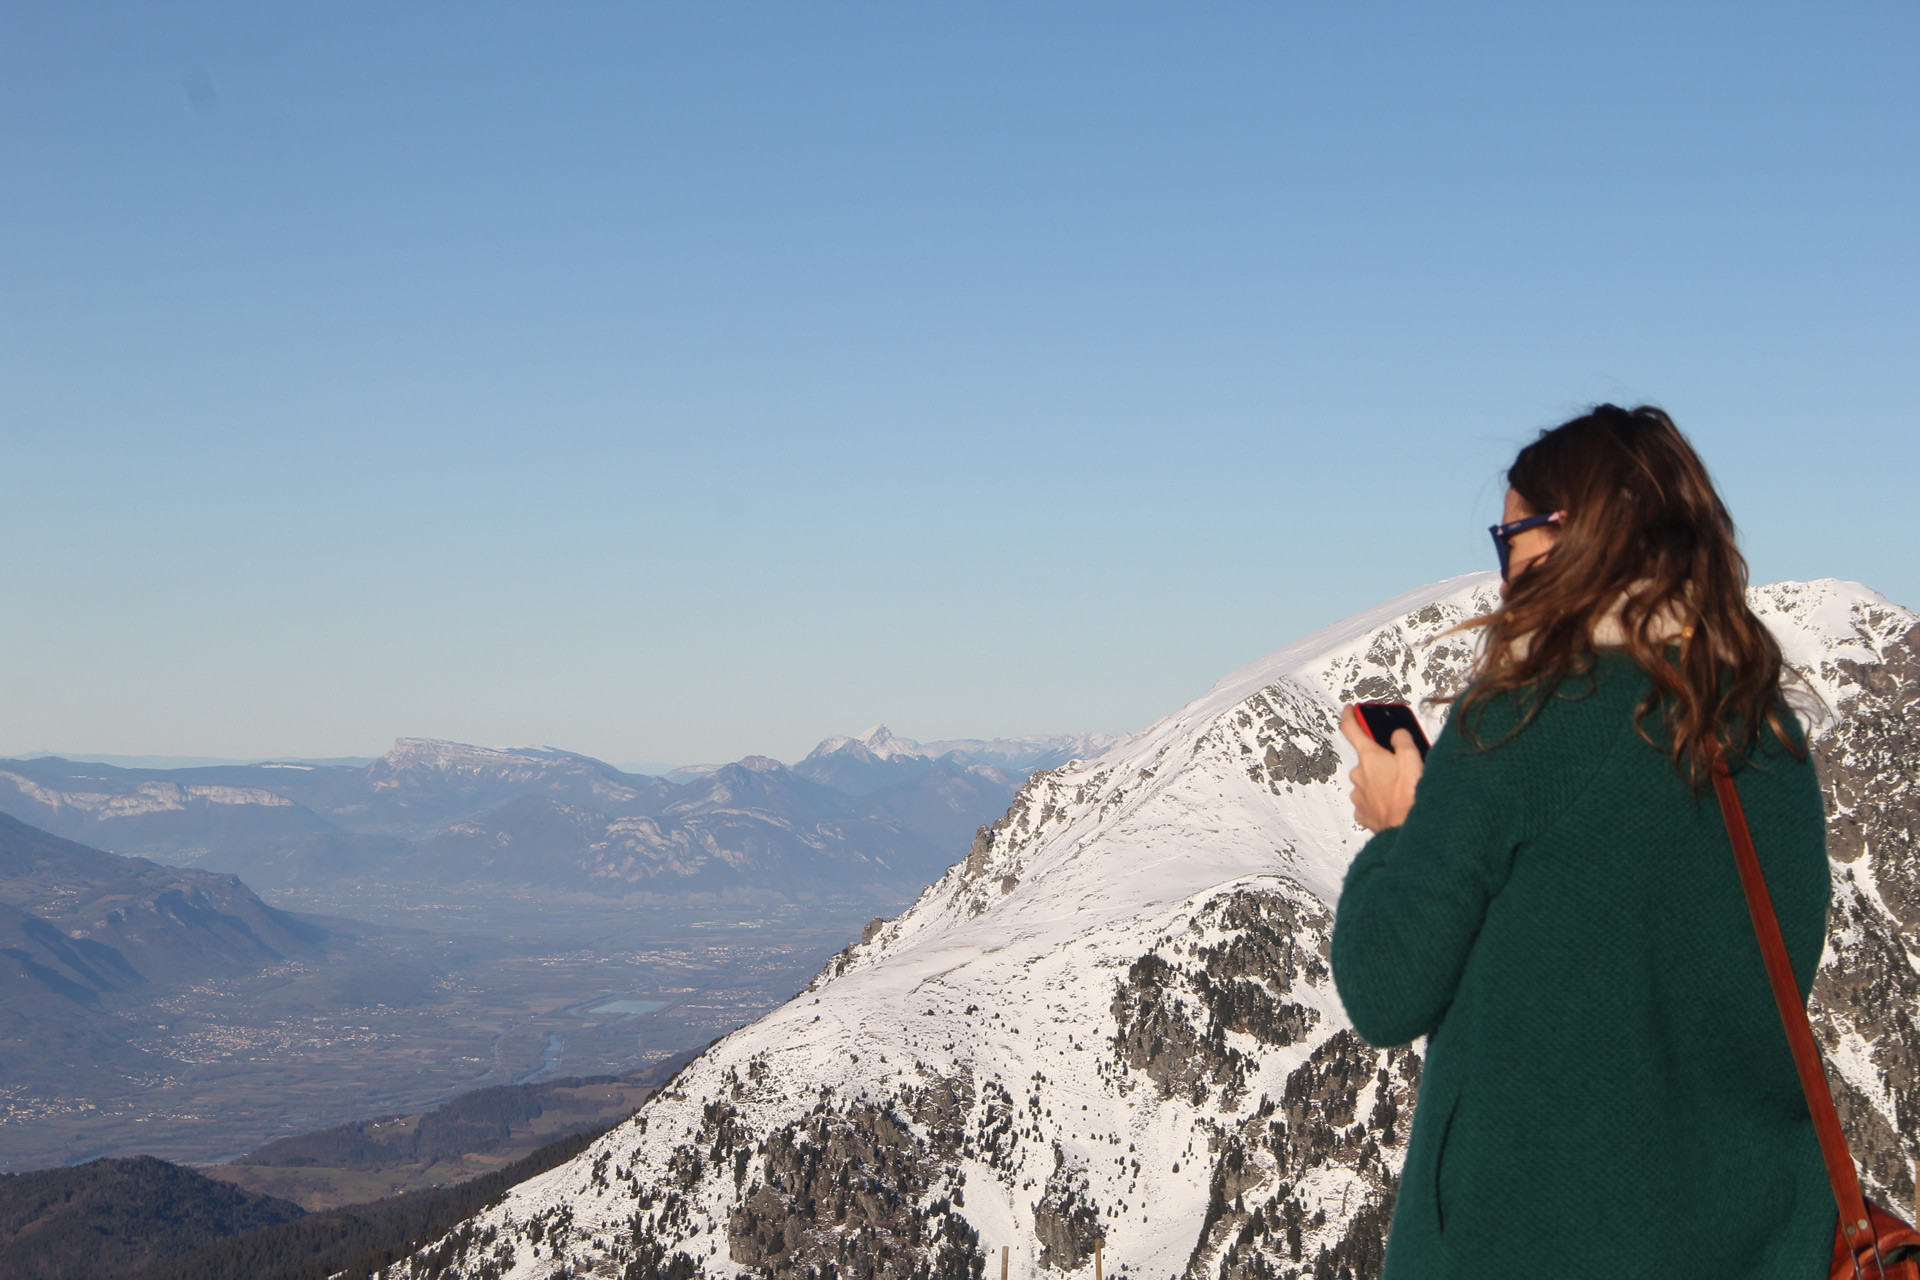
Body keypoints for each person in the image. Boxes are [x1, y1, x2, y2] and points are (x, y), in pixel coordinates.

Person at [1331, 404, 1832, 1279]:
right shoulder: (1765, 732)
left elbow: (1385, 988)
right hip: (1750, 1245)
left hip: (1529, 1245)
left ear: (1574, 535)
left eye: (1511, 536)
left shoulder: (1523, 719)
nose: (1501, 572)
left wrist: (1399, 827)